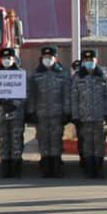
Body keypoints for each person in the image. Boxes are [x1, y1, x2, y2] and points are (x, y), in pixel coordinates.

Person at [29, 45, 72, 177]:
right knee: (43, 141)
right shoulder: (36, 76)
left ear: (55, 58)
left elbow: (66, 95)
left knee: (56, 141)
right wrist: (31, 112)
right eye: (45, 57)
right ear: (41, 58)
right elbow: (32, 95)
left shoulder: (62, 75)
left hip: (57, 114)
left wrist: (66, 112)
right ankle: (46, 168)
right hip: (41, 114)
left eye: (50, 57)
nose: (47, 59)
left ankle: (56, 167)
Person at [71, 48, 107, 178]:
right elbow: (74, 97)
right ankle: (89, 168)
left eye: (92, 59)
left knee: (99, 144)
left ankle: (99, 167)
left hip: (100, 116)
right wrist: (75, 115)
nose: (89, 62)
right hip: (84, 117)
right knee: (87, 144)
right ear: (83, 61)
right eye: (87, 60)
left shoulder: (103, 76)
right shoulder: (78, 77)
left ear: (96, 60)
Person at [0, 47, 27, 178]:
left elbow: (25, 93)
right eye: (4, 58)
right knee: (3, 140)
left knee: (16, 140)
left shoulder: (21, 74)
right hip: (1, 113)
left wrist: (14, 103)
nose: (6, 60)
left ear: (14, 59)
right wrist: (0, 101)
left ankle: (16, 168)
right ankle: (5, 168)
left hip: (16, 113)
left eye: (9, 58)